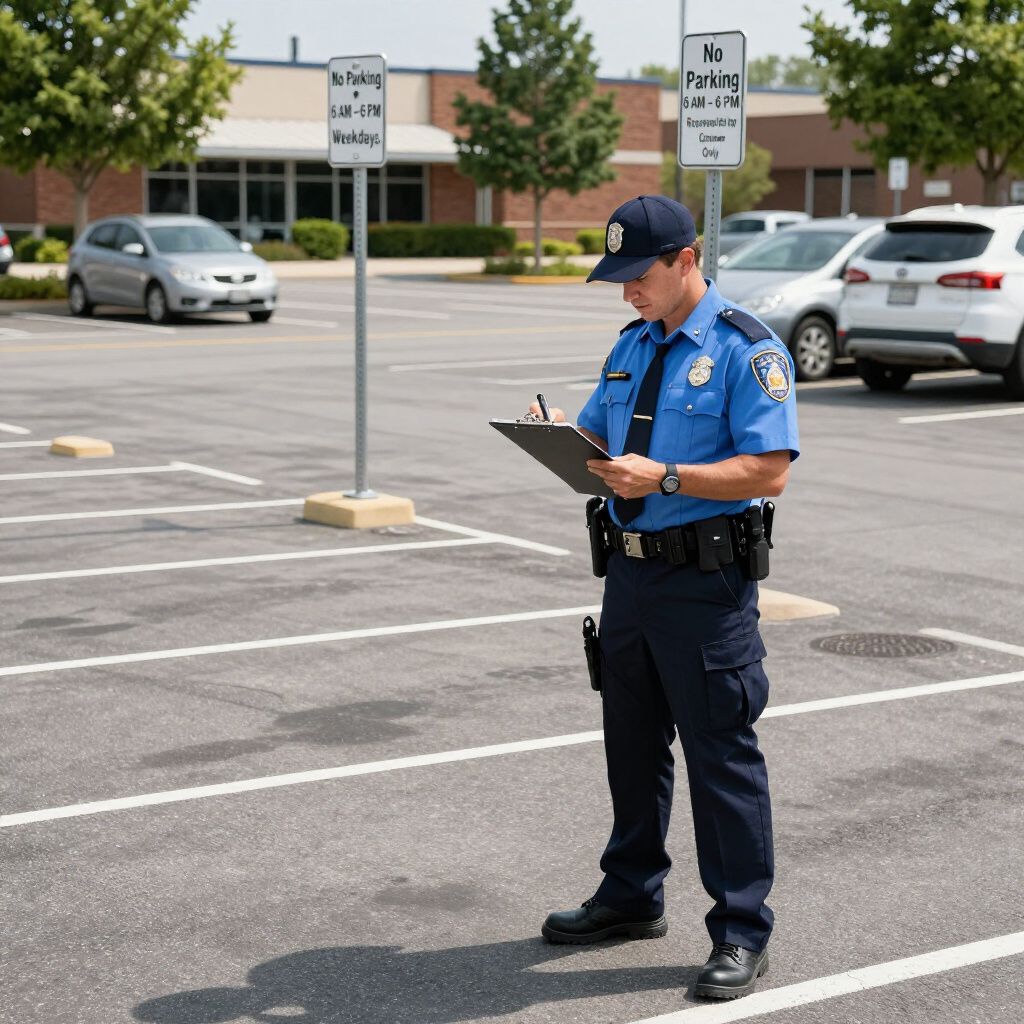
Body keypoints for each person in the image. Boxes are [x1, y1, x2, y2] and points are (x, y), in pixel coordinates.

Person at [531, 195, 799, 1001]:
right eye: (617, 279)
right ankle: (630, 893)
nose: (627, 293)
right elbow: (601, 445)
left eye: (638, 276)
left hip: (705, 584)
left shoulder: (747, 350)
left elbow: (770, 468)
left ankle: (742, 929)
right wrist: (557, 438)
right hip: (632, 576)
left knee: (721, 753)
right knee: (633, 740)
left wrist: (670, 476)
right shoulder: (630, 345)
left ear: (688, 259)